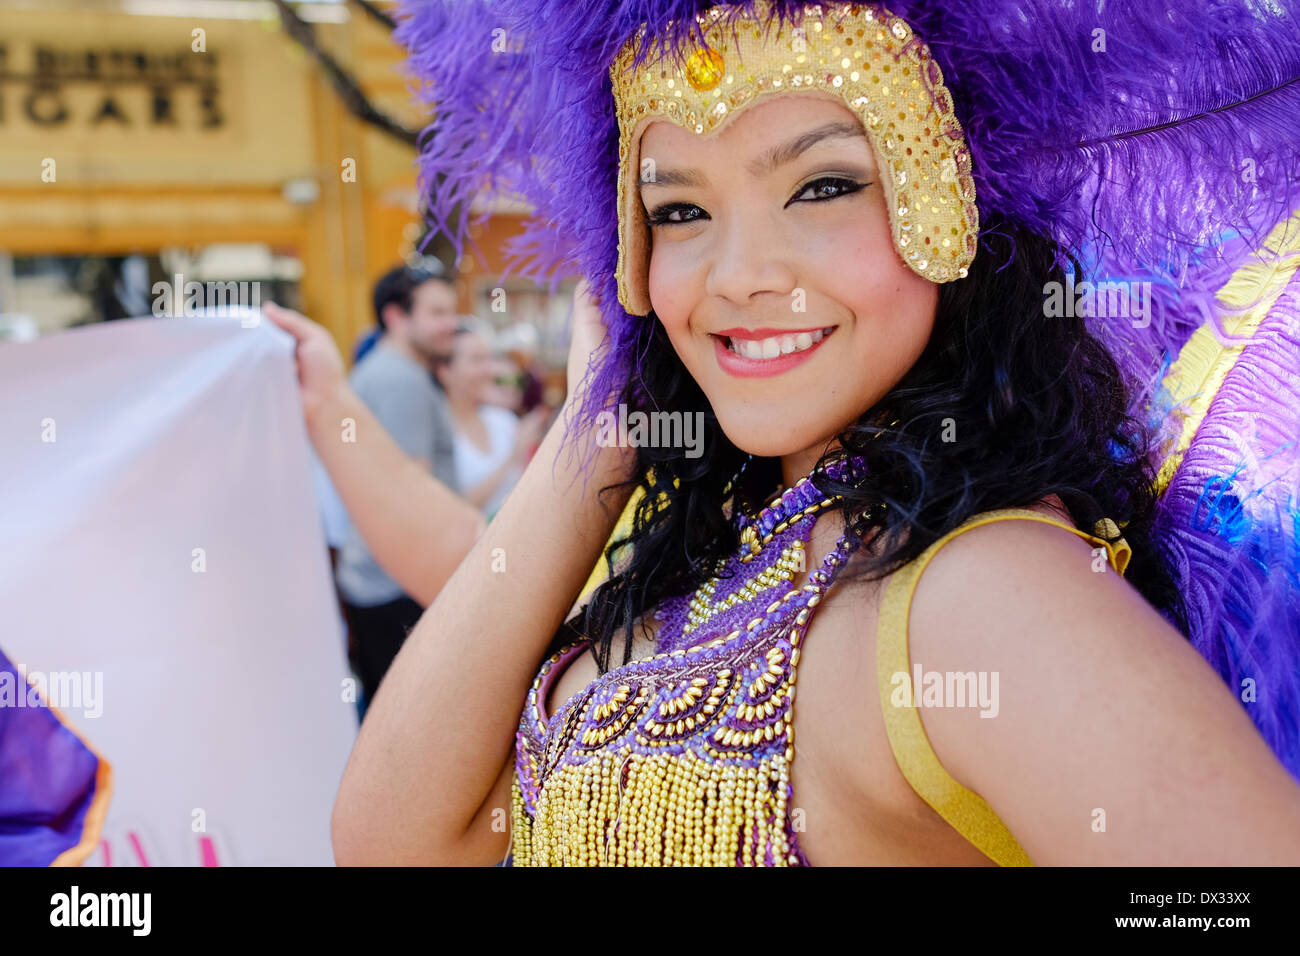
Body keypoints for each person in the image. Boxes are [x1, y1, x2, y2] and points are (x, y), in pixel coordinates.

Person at [273, 1, 1300, 865]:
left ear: (954, 203)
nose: (737, 274)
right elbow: (395, 837)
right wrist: (600, 426)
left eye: (820, 186)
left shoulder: (988, 593)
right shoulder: (703, 551)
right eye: (677, 211)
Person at [320, 262, 480, 714]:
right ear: (395, 317)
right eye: (435, 312)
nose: (451, 322)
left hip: (385, 580)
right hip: (399, 585)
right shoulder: (398, 380)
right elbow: (413, 497)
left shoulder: (391, 372)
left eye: (452, 310)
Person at [433, 323, 552, 519]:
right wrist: (512, 459)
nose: (488, 369)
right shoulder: (438, 432)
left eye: (488, 358)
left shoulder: (503, 421)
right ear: (444, 371)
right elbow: (450, 509)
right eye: (476, 360)